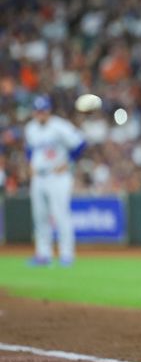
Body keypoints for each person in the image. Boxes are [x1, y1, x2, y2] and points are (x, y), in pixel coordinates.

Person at [24, 95, 87, 266]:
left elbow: (81, 143)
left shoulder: (60, 126)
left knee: (60, 215)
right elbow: (29, 149)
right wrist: (30, 164)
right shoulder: (30, 128)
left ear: (49, 110)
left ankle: (66, 254)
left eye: (43, 110)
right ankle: (43, 255)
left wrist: (69, 163)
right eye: (37, 111)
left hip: (57, 176)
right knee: (40, 217)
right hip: (38, 177)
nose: (40, 114)